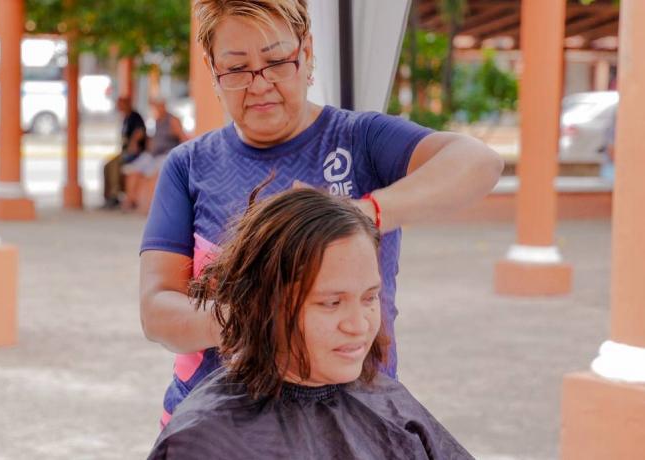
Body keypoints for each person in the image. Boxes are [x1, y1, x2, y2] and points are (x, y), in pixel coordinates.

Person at [140, 0, 503, 426]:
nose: (259, 84)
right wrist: (249, 320)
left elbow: (479, 162)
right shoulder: (190, 165)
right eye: (236, 69)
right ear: (212, 68)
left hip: (352, 421)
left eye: (277, 61)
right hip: (215, 424)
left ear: (307, 53)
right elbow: (157, 308)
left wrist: (363, 213)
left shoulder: (360, 139)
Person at [148, 187, 472, 459]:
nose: (359, 325)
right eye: (331, 303)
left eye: (369, 298)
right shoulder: (205, 440)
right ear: (263, 305)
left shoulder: (392, 405)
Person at [122, 98, 189, 210]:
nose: (156, 109)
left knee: (155, 175)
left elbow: (184, 139)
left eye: (158, 106)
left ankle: (152, 206)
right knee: (133, 171)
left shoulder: (172, 120)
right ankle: (130, 201)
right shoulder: (157, 121)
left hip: (165, 155)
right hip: (152, 156)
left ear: (163, 106)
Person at [103, 96, 146, 208]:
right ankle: (108, 196)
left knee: (114, 165)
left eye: (121, 104)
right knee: (107, 165)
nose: (119, 107)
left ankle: (115, 194)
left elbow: (140, 131)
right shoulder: (125, 118)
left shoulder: (135, 117)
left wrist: (133, 142)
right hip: (125, 152)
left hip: (135, 153)